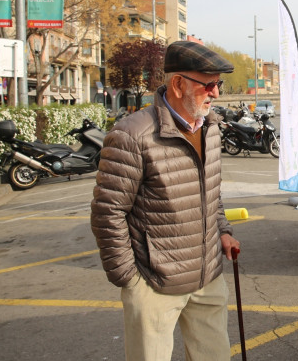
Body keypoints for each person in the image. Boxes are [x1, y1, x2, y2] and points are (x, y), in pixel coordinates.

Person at [91, 41, 241, 361]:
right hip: (154, 282)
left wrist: (223, 231)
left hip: (207, 277)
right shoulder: (132, 135)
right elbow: (108, 212)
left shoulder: (210, 128)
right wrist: (130, 279)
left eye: (219, 84)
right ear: (177, 84)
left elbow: (208, 192)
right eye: (209, 85)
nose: (216, 93)